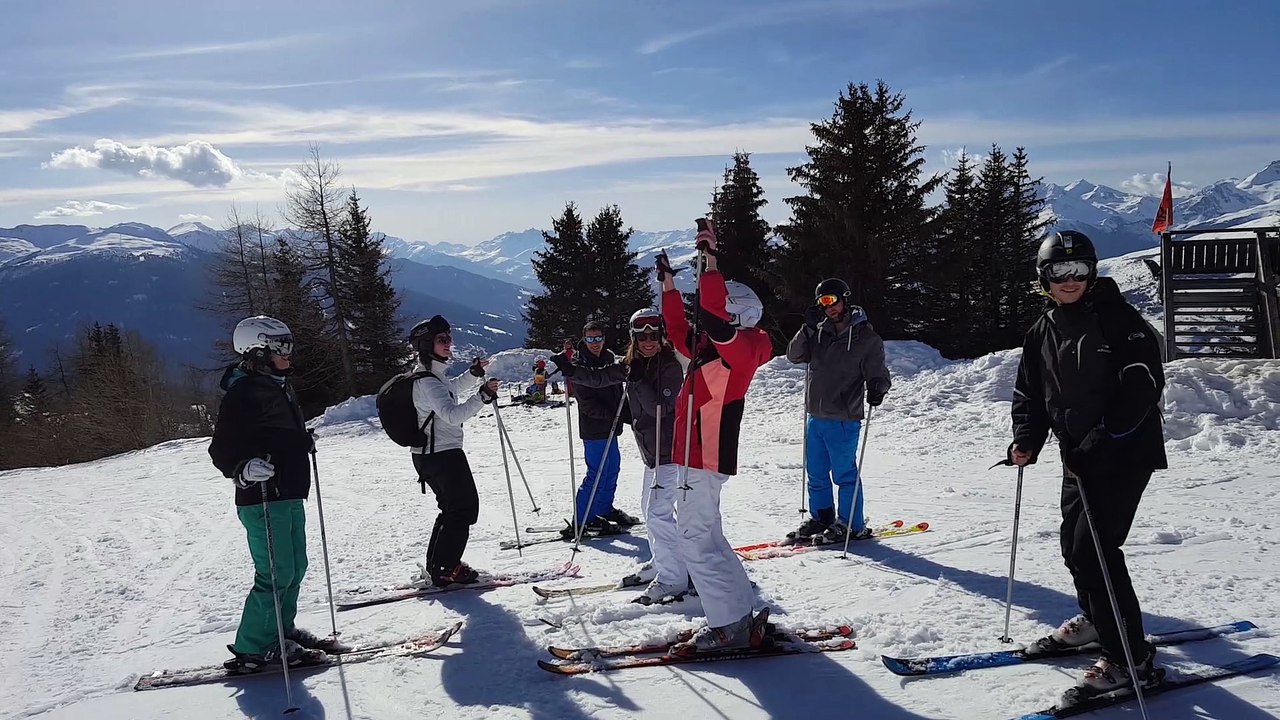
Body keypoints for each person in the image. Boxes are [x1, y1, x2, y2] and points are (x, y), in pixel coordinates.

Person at [1009, 230, 1167, 699]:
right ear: (1044, 278)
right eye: (1060, 271)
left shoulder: (1118, 319)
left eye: (1079, 269)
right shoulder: (1043, 328)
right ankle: (1100, 623)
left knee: (1095, 551)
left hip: (1122, 452)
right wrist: (1027, 439)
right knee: (1073, 547)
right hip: (1078, 457)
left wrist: (1100, 441)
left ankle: (1130, 658)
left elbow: (1141, 386)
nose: (1070, 280)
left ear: (1092, 270)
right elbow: (1030, 393)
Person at [659, 220, 772, 653]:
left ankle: (727, 626)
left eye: (725, 310)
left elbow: (710, 315)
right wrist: (669, 285)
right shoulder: (711, 349)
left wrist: (710, 263)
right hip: (697, 455)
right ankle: (739, 613)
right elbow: (677, 331)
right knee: (707, 536)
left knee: (694, 540)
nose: (711, 320)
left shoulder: (743, 348)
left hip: (704, 456)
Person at [209, 315, 343, 670]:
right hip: (262, 497)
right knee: (275, 572)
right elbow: (220, 449)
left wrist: (302, 441)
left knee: (295, 567)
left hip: (288, 491)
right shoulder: (242, 393)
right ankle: (255, 645)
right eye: (280, 346)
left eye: (288, 344)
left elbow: (274, 432)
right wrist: (242, 469)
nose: (288, 353)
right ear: (257, 351)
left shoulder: (276, 385)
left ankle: (280, 630)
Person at [550, 307, 687, 604]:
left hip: (670, 451)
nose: (648, 341)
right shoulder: (632, 363)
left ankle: (675, 578)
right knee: (650, 509)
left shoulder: (670, 366)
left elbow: (659, 411)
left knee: (658, 513)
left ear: (661, 336)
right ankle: (664, 561)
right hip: (652, 453)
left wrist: (637, 381)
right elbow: (600, 377)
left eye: (654, 335)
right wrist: (572, 371)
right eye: (642, 336)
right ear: (633, 338)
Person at [785, 278, 891, 543]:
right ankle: (822, 516)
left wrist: (877, 388)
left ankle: (852, 524)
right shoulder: (818, 331)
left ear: (845, 299)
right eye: (823, 302)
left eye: (832, 300)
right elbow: (794, 356)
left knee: (844, 475)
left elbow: (878, 371)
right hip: (816, 416)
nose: (828, 307)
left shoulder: (866, 337)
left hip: (844, 417)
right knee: (816, 474)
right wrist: (805, 329)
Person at [407, 315, 501, 586]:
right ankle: (446, 567)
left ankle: (440, 565)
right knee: (463, 509)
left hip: (433, 454)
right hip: (440, 454)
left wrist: (472, 375)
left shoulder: (431, 376)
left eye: (449, 338)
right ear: (427, 344)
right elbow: (451, 414)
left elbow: (451, 389)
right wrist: (482, 397)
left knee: (452, 509)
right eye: (442, 339)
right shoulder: (428, 381)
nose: (449, 344)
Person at [560, 318, 637, 540]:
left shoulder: (609, 357)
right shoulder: (579, 365)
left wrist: (626, 413)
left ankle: (604, 509)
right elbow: (587, 404)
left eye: (599, 338)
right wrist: (615, 416)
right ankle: (583, 519)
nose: (595, 343)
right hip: (594, 428)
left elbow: (616, 388)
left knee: (612, 468)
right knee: (597, 473)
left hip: (611, 427)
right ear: (584, 339)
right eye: (590, 338)